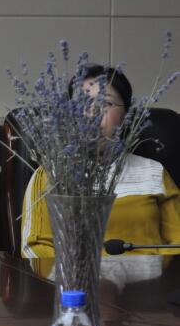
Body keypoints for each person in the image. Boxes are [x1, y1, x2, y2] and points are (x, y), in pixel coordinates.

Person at [21, 64, 180, 258]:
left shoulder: (154, 173)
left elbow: (177, 244)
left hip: (152, 276)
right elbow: (35, 249)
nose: (92, 113)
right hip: (75, 277)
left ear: (126, 116)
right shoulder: (50, 176)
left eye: (106, 103)